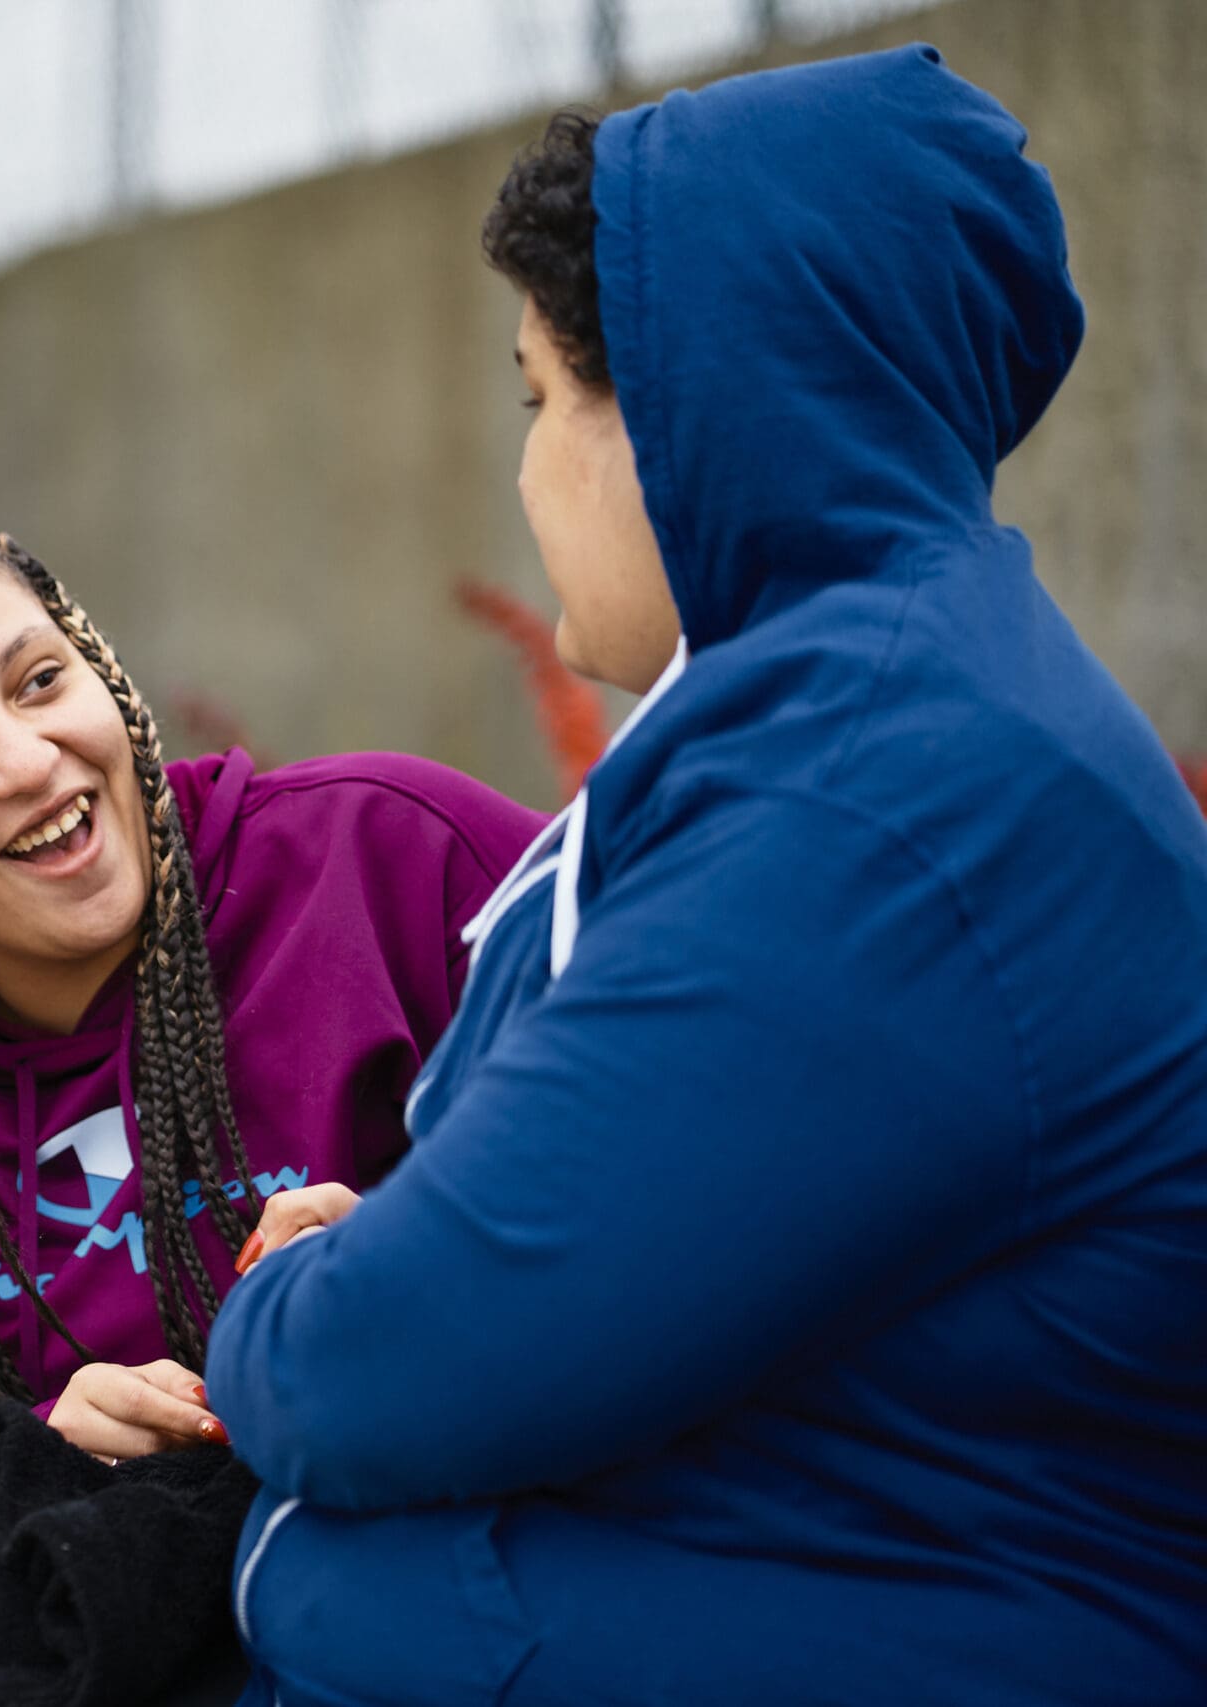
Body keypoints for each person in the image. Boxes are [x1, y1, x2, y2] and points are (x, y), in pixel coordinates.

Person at [208, 45, 1207, 1705]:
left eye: (541, 402)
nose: (528, 473)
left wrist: (295, 1294)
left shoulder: (882, 797)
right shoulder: (898, 702)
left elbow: (399, 1369)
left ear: (687, 401)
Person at [0, 508, 545, 1705]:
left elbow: (670, 1145)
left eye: (37, 680)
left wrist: (408, 1251)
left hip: (453, 1594)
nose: (24, 759)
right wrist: (32, 1454)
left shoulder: (389, 860)